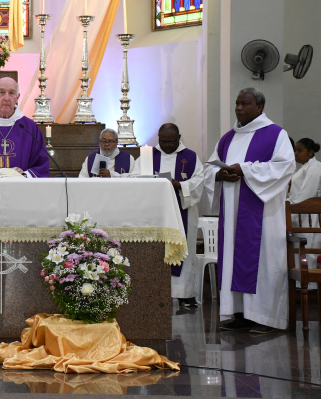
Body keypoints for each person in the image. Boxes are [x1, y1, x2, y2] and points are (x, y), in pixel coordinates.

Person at [203, 88, 295, 334]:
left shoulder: (276, 134)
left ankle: (265, 317)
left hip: (262, 215)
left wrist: (245, 170)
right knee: (234, 259)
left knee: (263, 262)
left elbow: (285, 166)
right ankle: (240, 313)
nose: (239, 108)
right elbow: (209, 168)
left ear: (260, 107)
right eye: (237, 103)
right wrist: (220, 174)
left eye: (245, 104)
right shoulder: (227, 138)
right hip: (232, 215)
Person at [131, 123, 204, 307]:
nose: (167, 146)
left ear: (179, 138)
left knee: (183, 250)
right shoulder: (148, 156)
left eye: (171, 142)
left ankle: (185, 293)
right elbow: (134, 179)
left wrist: (180, 185)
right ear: (158, 138)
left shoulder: (190, 157)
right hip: (155, 212)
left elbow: (199, 181)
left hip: (183, 210)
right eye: (163, 142)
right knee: (158, 249)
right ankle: (156, 290)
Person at [288, 138, 321, 288]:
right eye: (295, 150)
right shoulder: (304, 167)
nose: (296, 154)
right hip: (299, 214)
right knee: (297, 252)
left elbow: (306, 194)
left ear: (310, 152)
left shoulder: (315, 167)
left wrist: (289, 212)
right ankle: (300, 286)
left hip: (307, 216)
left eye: (299, 151)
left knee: (307, 252)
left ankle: (309, 288)